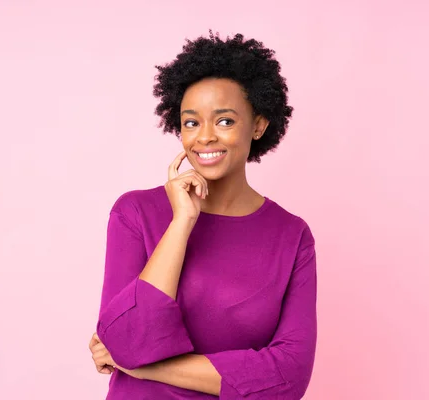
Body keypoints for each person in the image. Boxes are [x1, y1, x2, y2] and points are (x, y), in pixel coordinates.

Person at [88, 31, 317, 399]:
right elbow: (130, 338)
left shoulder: (291, 236)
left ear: (258, 125)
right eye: (192, 122)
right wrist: (181, 222)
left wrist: (141, 364)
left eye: (224, 121)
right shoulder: (135, 213)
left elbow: (289, 375)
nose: (205, 137)